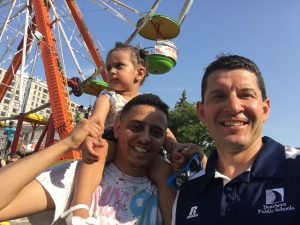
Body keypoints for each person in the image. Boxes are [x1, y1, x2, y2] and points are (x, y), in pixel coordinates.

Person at [70, 42, 204, 225]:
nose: (112, 72)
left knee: (164, 170)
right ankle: (79, 208)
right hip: (114, 143)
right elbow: (97, 120)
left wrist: (173, 146)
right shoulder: (107, 96)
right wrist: (90, 136)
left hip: (147, 150)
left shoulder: (148, 101)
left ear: (139, 73)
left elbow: (163, 131)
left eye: (119, 66)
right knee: (97, 153)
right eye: (108, 68)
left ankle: (170, 219)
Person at [0, 93, 181, 225]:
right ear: (117, 128)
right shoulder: (75, 177)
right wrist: (66, 144)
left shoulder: (167, 189)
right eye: (136, 127)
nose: (145, 138)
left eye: (155, 133)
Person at [171, 55, 300, 225]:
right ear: (202, 112)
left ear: (265, 109)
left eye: (246, 95)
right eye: (219, 96)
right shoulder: (187, 191)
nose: (233, 106)